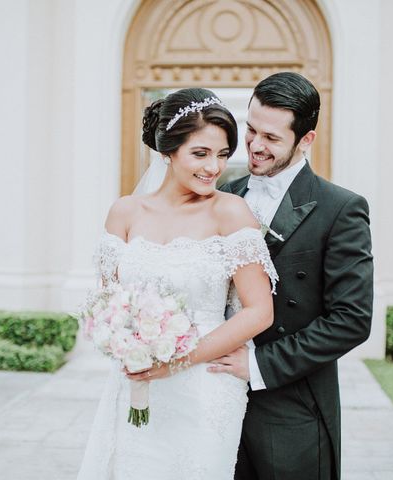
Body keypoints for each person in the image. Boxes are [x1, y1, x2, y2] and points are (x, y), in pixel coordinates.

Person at [77, 88, 278, 479]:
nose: (213, 168)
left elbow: (260, 311)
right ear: (167, 152)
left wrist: (177, 361)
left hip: (205, 385)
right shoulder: (125, 212)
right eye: (200, 154)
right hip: (136, 378)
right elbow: (107, 304)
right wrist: (126, 343)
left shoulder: (230, 212)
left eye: (222, 155)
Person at [213, 72, 374, 480]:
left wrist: (259, 364)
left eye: (271, 137)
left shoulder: (341, 209)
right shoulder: (223, 197)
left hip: (291, 408)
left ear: (306, 139)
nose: (254, 144)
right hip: (214, 400)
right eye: (251, 129)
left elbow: (352, 319)